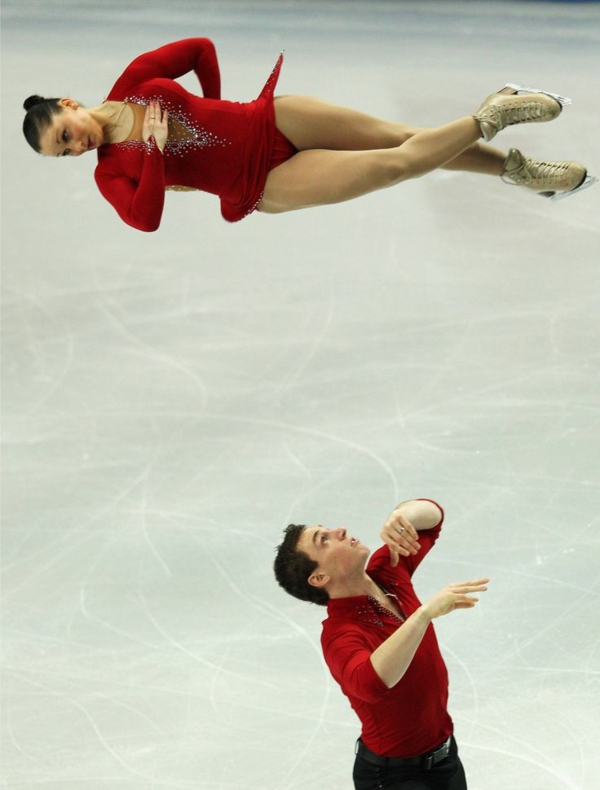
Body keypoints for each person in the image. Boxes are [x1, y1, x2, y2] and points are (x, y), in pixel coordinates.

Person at [22, 38, 594, 232]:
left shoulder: (135, 81)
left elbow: (199, 49)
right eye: (64, 152)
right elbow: (144, 218)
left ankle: (516, 170)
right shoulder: (110, 172)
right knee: (397, 165)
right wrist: (151, 150)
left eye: (66, 134)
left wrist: (218, 102)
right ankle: (492, 114)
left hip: (273, 118)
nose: (76, 148)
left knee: (404, 136)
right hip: (266, 182)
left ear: (70, 105)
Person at [273, 498, 489, 790]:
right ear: (320, 577)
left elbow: (432, 518)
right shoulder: (339, 634)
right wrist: (423, 614)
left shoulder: (388, 571)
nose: (340, 530)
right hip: (392, 778)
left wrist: (401, 516)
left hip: (445, 760)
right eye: (323, 540)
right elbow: (373, 682)